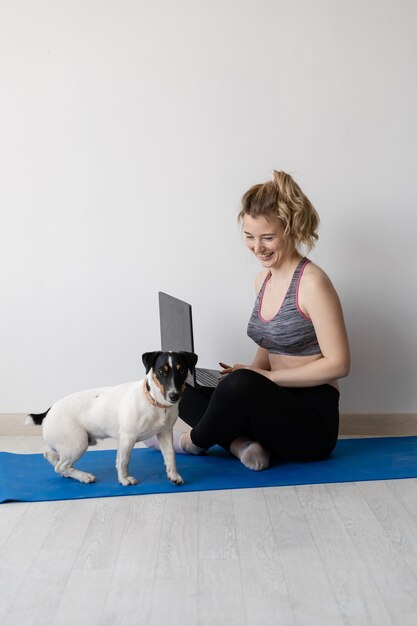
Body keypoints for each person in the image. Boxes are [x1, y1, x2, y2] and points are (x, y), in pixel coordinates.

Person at [145, 170, 350, 470]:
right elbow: (270, 343)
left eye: (268, 237)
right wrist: (251, 374)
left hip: (311, 424)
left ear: (291, 229)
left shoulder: (313, 284)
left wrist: (261, 380)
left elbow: (339, 364)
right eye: (249, 236)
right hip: (274, 402)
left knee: (239, 384)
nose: (258, 247)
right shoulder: (262, 281)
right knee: (183, 383)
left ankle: (192, 442)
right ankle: (242, 445)